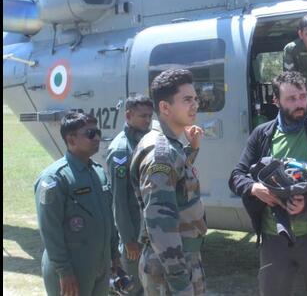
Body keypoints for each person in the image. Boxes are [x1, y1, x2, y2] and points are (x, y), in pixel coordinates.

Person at [229, 71, 307, 296]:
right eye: (291, 99)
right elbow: (236, 176)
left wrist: (306, 203)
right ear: (276, 101)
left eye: (303, 96)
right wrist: (254, 188)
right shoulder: (262, 135)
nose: (300, 103)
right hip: (274, 239)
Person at [130, 69, 206, 296]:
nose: (195, 105)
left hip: (180, 259)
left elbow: (177, 181)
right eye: (187, 100)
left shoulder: (170, 146)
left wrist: (191, 149)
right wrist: (180, 282)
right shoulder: (160, 153)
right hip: (169, 266)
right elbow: (159, 223)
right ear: (165, 107)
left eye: (195, 99)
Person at [34, 112, 120, 296]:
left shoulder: (98, 172)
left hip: (99, 265)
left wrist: (114, 255)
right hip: (73, 268)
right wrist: (64, 271)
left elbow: (107, 219)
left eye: (97, 132)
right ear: (71, 139)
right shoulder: (54, 178)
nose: (97, 137)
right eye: (90, 134)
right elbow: (50, 230)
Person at [107, 95, 154, 295]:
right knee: (132, 287)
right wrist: (128, 239)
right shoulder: (121, 151)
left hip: (145, 231)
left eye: (150, 116)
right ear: (128, 115)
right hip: (133, 234)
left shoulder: (142, 141)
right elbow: (118, 201)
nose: (148, 120)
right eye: (143, 116)